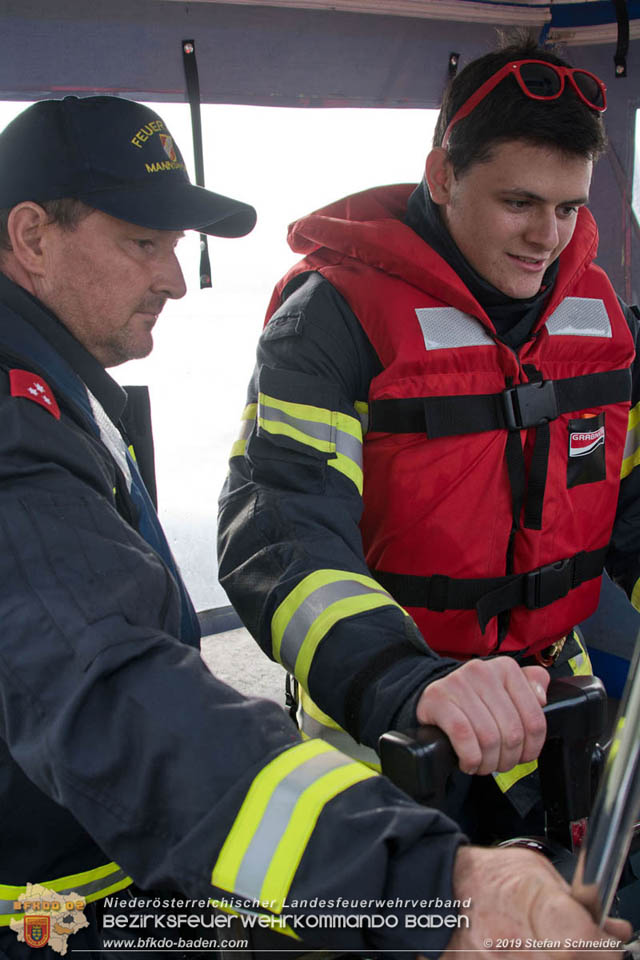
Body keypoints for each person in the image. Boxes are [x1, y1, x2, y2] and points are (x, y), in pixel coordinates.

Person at [1, 94, 629, 960]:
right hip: (55, 904)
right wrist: (425, 884)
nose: (176, 280)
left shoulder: (56, 387)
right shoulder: (17, 431)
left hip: (136, 858)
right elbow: (117, 686)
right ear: (31, 236)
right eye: (145, 244)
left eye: (568, 209)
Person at [217, 35, 640, 841]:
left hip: (556, 695)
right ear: (443, 176)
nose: (548, 238)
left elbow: (634, 500)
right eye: (519, 203)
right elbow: (278, 533)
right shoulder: (331, 317)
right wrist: (402, 682)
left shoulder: (602, 317)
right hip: (396, 717)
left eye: (569, 208)